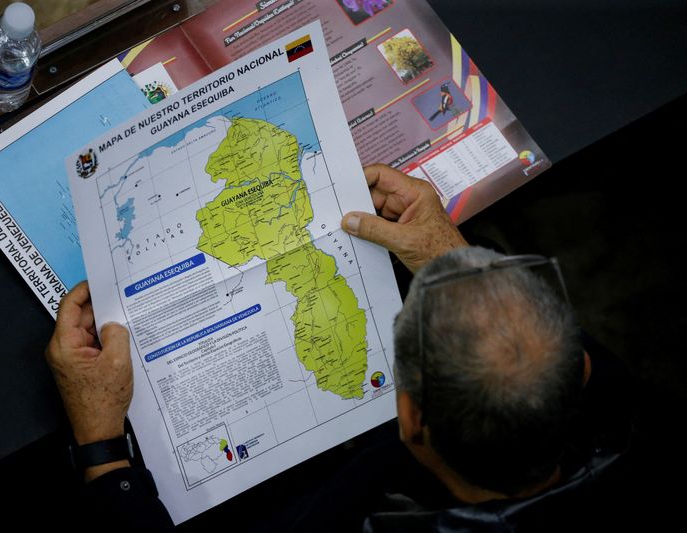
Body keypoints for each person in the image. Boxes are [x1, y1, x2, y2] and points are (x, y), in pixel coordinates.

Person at [45, 164, 631, 530]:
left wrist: (102, 449)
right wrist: (447, 255)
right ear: (579, 367)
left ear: (412, 418)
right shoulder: (629, 423)